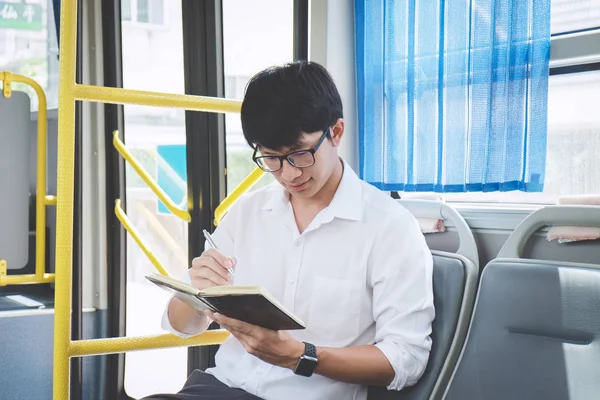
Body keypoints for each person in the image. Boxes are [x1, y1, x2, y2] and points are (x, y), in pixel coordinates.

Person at [143, 61, 434, 400]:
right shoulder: (248, 212)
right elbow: (183, 327)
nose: (288, 174)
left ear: (336, 132)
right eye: (271, 159)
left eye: (299, 154)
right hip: (221, 387)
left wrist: (300, 356)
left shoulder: (389, 227)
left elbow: (407, 359)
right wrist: (195, 293)